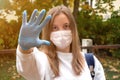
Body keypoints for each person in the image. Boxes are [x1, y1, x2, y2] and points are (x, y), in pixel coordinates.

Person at [16, 5, 106, 80]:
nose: (61, 32)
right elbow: (26, 68)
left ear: (73, 29)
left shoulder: (90, 61)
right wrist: (25, 49)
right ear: (48, 32)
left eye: (66, 26)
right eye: (54, 28)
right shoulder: (42, 60)